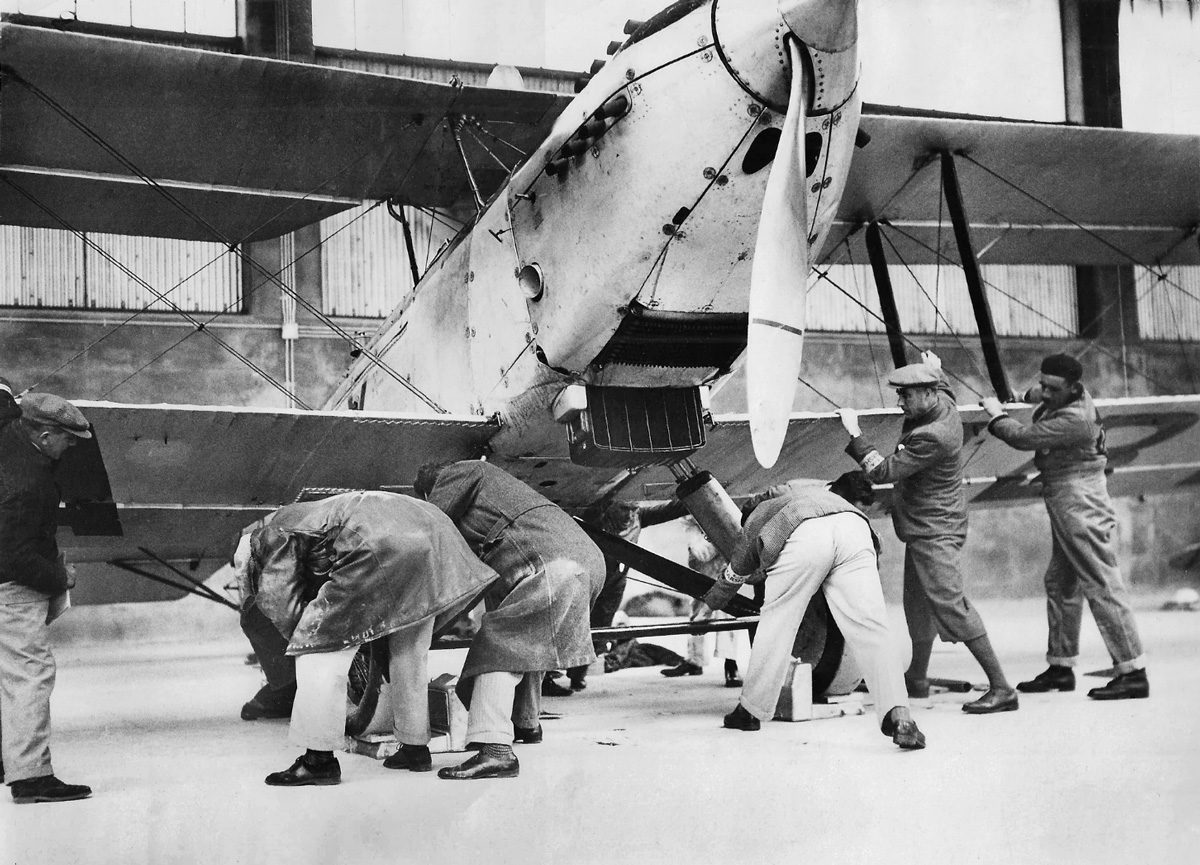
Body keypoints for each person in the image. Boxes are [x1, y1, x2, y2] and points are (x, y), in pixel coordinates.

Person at [239, 491, 500, 787]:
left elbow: (280, 602)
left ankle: (318, 761)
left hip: (378, 544)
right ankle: (415, 748)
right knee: (409, 648)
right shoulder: (315, 511)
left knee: (316, 650)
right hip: (432, 534)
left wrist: (308, 637)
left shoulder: (270, 535)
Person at [838, 353, 1018, 714]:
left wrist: (855, 433)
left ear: (927, 393)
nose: (900, 402)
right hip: (925, 528)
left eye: (906, 395)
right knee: (918, 606)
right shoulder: (942, 402)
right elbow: (945, 387)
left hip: (936, 530)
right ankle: (917, 677)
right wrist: (934, 366)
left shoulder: (933, 435)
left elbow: (884, 471)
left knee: (951, 606)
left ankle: (1002, 688)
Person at [701, 472, 925, 750]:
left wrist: (712, 601)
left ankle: (749, 712)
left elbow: (736, 571)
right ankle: (901, 717)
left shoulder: (756, 517)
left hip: (805, 534)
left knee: (777, 621)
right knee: (873, 627)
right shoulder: (818, 495)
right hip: (855, 528)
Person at [415, 460, 605, 780]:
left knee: (498, 643)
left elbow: (429, 530)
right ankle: (525, 723)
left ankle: (495, 751)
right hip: (583, 559)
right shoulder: (496, 498)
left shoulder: (460, 472)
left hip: (554, 564)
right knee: (527, 636)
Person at [982, 353, 1149, 700]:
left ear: (1074, 388)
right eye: (1042, 385)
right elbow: (1035, 394)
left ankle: (1133, 672)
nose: (1044, 393)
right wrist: (1018, 395)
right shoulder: (1063, 395)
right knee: (1060, 582)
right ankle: (1060, 667)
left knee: (1101, 583)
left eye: (1052, 389)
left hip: (1080, 497)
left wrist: (996, 414)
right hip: (1065, 494)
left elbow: (1023, 438)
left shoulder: (1076, 419)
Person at [0, 392, 93, 803]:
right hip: (12, 590)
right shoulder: (27, 481)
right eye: (67, 439)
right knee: (29, 675)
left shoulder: (8, 437)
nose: (70, 447)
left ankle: (8, 761)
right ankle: (30, 776)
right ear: (43, 435)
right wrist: (60, 576)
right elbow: (13, 556)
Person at [661, 515, 748, 685]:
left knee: (727, 611)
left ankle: (730, 663)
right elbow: (702, 553)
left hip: (725, 562)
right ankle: (695, 660)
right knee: (697, 609)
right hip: (703, 565)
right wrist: (717, 535)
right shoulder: (689, 520)